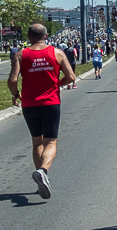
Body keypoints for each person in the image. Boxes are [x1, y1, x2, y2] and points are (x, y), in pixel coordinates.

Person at [7, 23, 75, 200]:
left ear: (29, 37)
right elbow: (71, 77)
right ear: (46, 36)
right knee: (51, 141)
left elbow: (12, 80)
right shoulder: (57, 53)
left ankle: (41, 180)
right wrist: (56, 85)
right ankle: (43, 171)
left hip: (29, 104)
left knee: (37, 141)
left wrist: (16, 94)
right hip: (51, 102)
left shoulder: (21, 55)